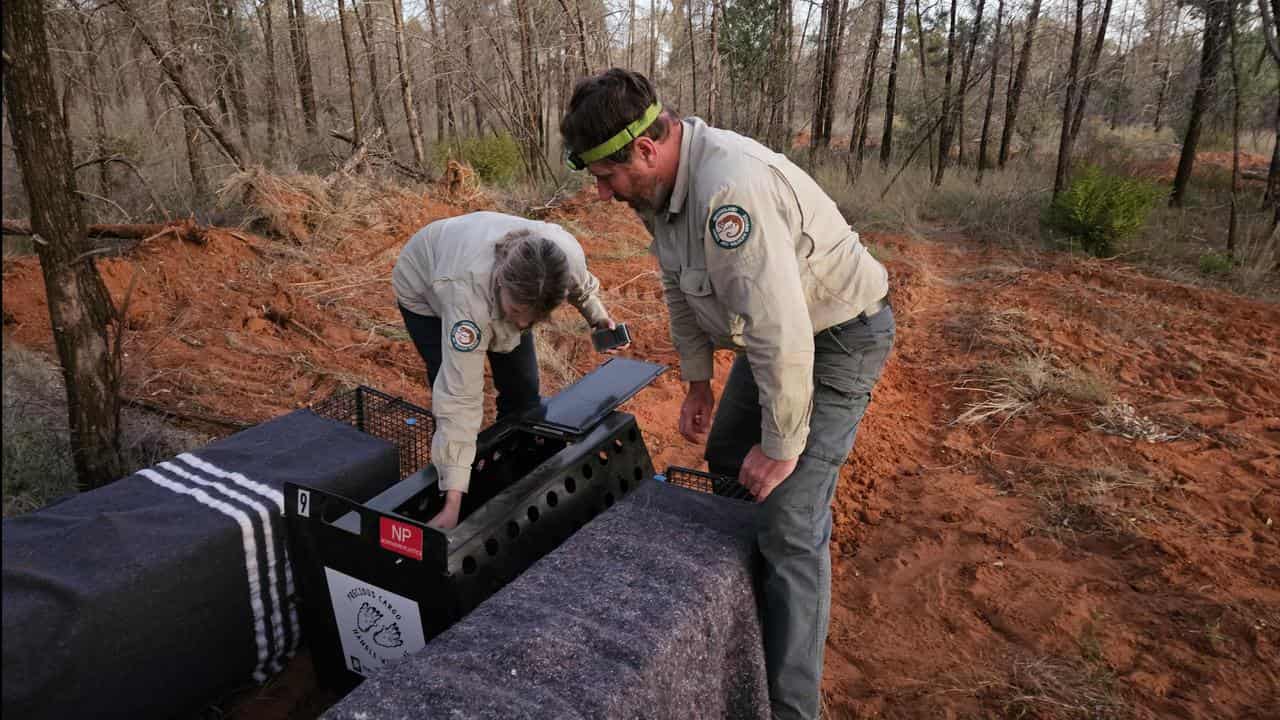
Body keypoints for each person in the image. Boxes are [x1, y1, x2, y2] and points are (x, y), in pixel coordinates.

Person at [560, 69, 895, 720]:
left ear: (647, 148)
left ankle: (792, 704)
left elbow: (784, 332)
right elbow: (680, 288)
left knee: (790, 522)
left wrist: (784, 445)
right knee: (724, 458)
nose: (601, 194)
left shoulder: (727, 191)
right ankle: (743, 607)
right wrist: (696, 382)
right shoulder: (657, 193)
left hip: (835, 336)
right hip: (775, 337)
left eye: (606, 176)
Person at [393, 211, 619, 530]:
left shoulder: (562, 254)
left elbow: (579, 287)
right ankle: (449, 485)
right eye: (516, 312)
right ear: (501, 282)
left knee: (523, 390)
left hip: (488, 280)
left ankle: (521, 470)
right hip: (426, 285)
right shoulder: (465, 297)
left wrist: (598, 318)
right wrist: (454, 501)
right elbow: (460, 399)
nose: (525, 325)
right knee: (450, 378)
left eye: (536, 318)